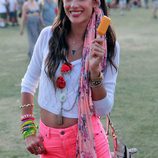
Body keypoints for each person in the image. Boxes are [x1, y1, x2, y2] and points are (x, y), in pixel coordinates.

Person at [20, 0, 120, 157]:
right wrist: (28, 130)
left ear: (95, 2)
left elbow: (103, 109)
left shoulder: (107, 47)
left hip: (89, 142)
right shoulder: (47, 35)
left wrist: (94, 72)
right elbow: (28, 83)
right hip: (48, 146)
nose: (73, 5)